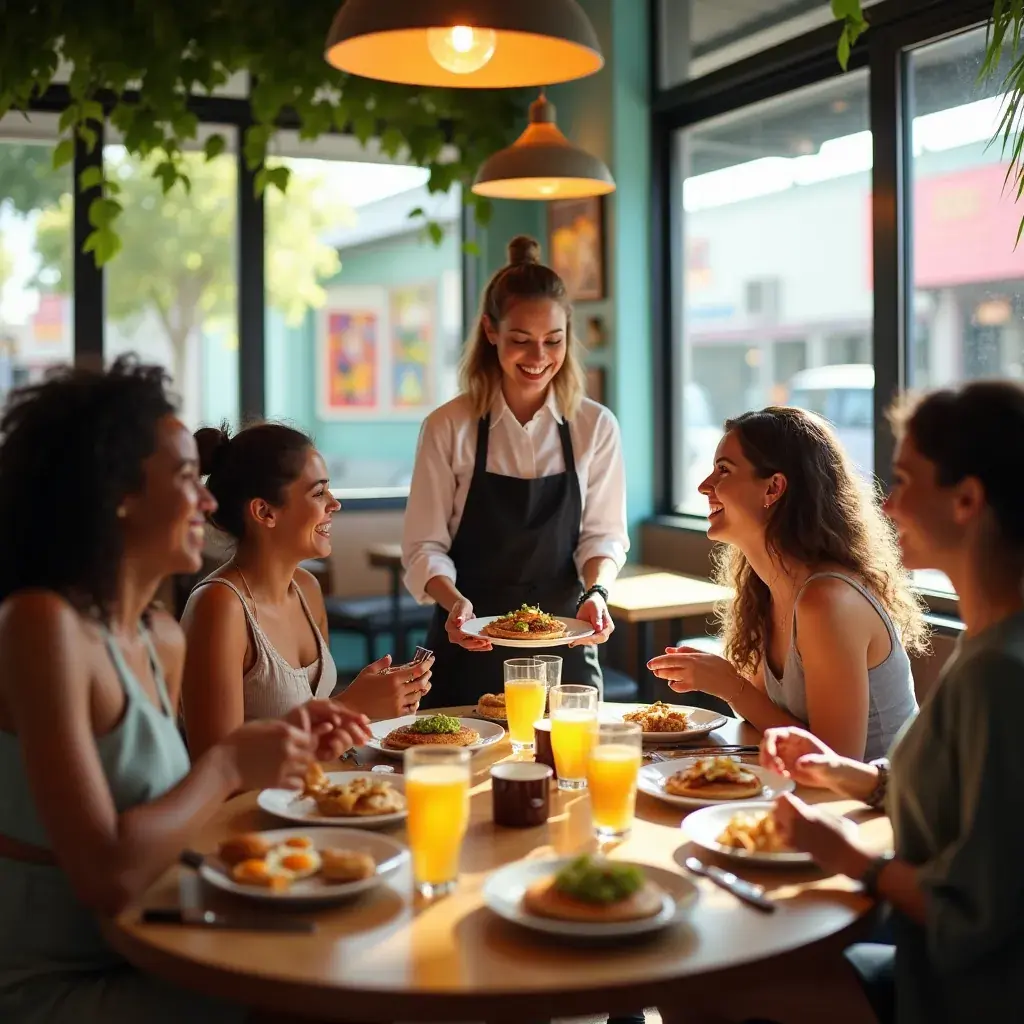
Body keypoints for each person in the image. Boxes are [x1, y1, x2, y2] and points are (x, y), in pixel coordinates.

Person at [0, 358, 372, 1023]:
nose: (206, 500)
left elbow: (177, 821)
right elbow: (107, 875)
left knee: (364, 950)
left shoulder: (159, 636)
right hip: (67, 980)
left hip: (164, 938)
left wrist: (288, 742)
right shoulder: (40, 625)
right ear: (117, 492)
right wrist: (229, 763)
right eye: (181, 478)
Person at [760, 381, 1024, 1024]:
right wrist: (850, 774)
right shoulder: (994, 634)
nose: (891, 502)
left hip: (958, 995)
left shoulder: (1000, 672)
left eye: (906, 480)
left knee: (702, 986)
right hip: (934, 966)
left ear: (967, 500)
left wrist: (847, 856)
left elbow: (973, 912)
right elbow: (969, 798)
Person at [402, 235, 628, 705]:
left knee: (568, 768)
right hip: (468, 637)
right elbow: (424, 546)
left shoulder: (594, 426)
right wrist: (453, 601)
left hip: (565, 642)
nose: (538, 357)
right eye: (520, 340)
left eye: (554, 340)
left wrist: (599, 592)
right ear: (490, 331)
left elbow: (602, 537)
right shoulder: (448, 426)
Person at [648, 406, 927, 761]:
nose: (705, 486)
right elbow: (767, 723)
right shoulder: (762, 589)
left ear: (774, 488)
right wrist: (722, 679)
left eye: (723, 470)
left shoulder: (826, 601)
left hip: (877, 811)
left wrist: (730, 686)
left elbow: (837, 762)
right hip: (809, 798)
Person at [181, 423, 433, 758]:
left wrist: (373, 703)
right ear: (264, 512)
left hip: (316, 799)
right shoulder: (218, 606)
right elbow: (214, 766)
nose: (335, 504)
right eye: (318, 493)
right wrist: (348, 706)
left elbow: (315, 737)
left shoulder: (306, 589)